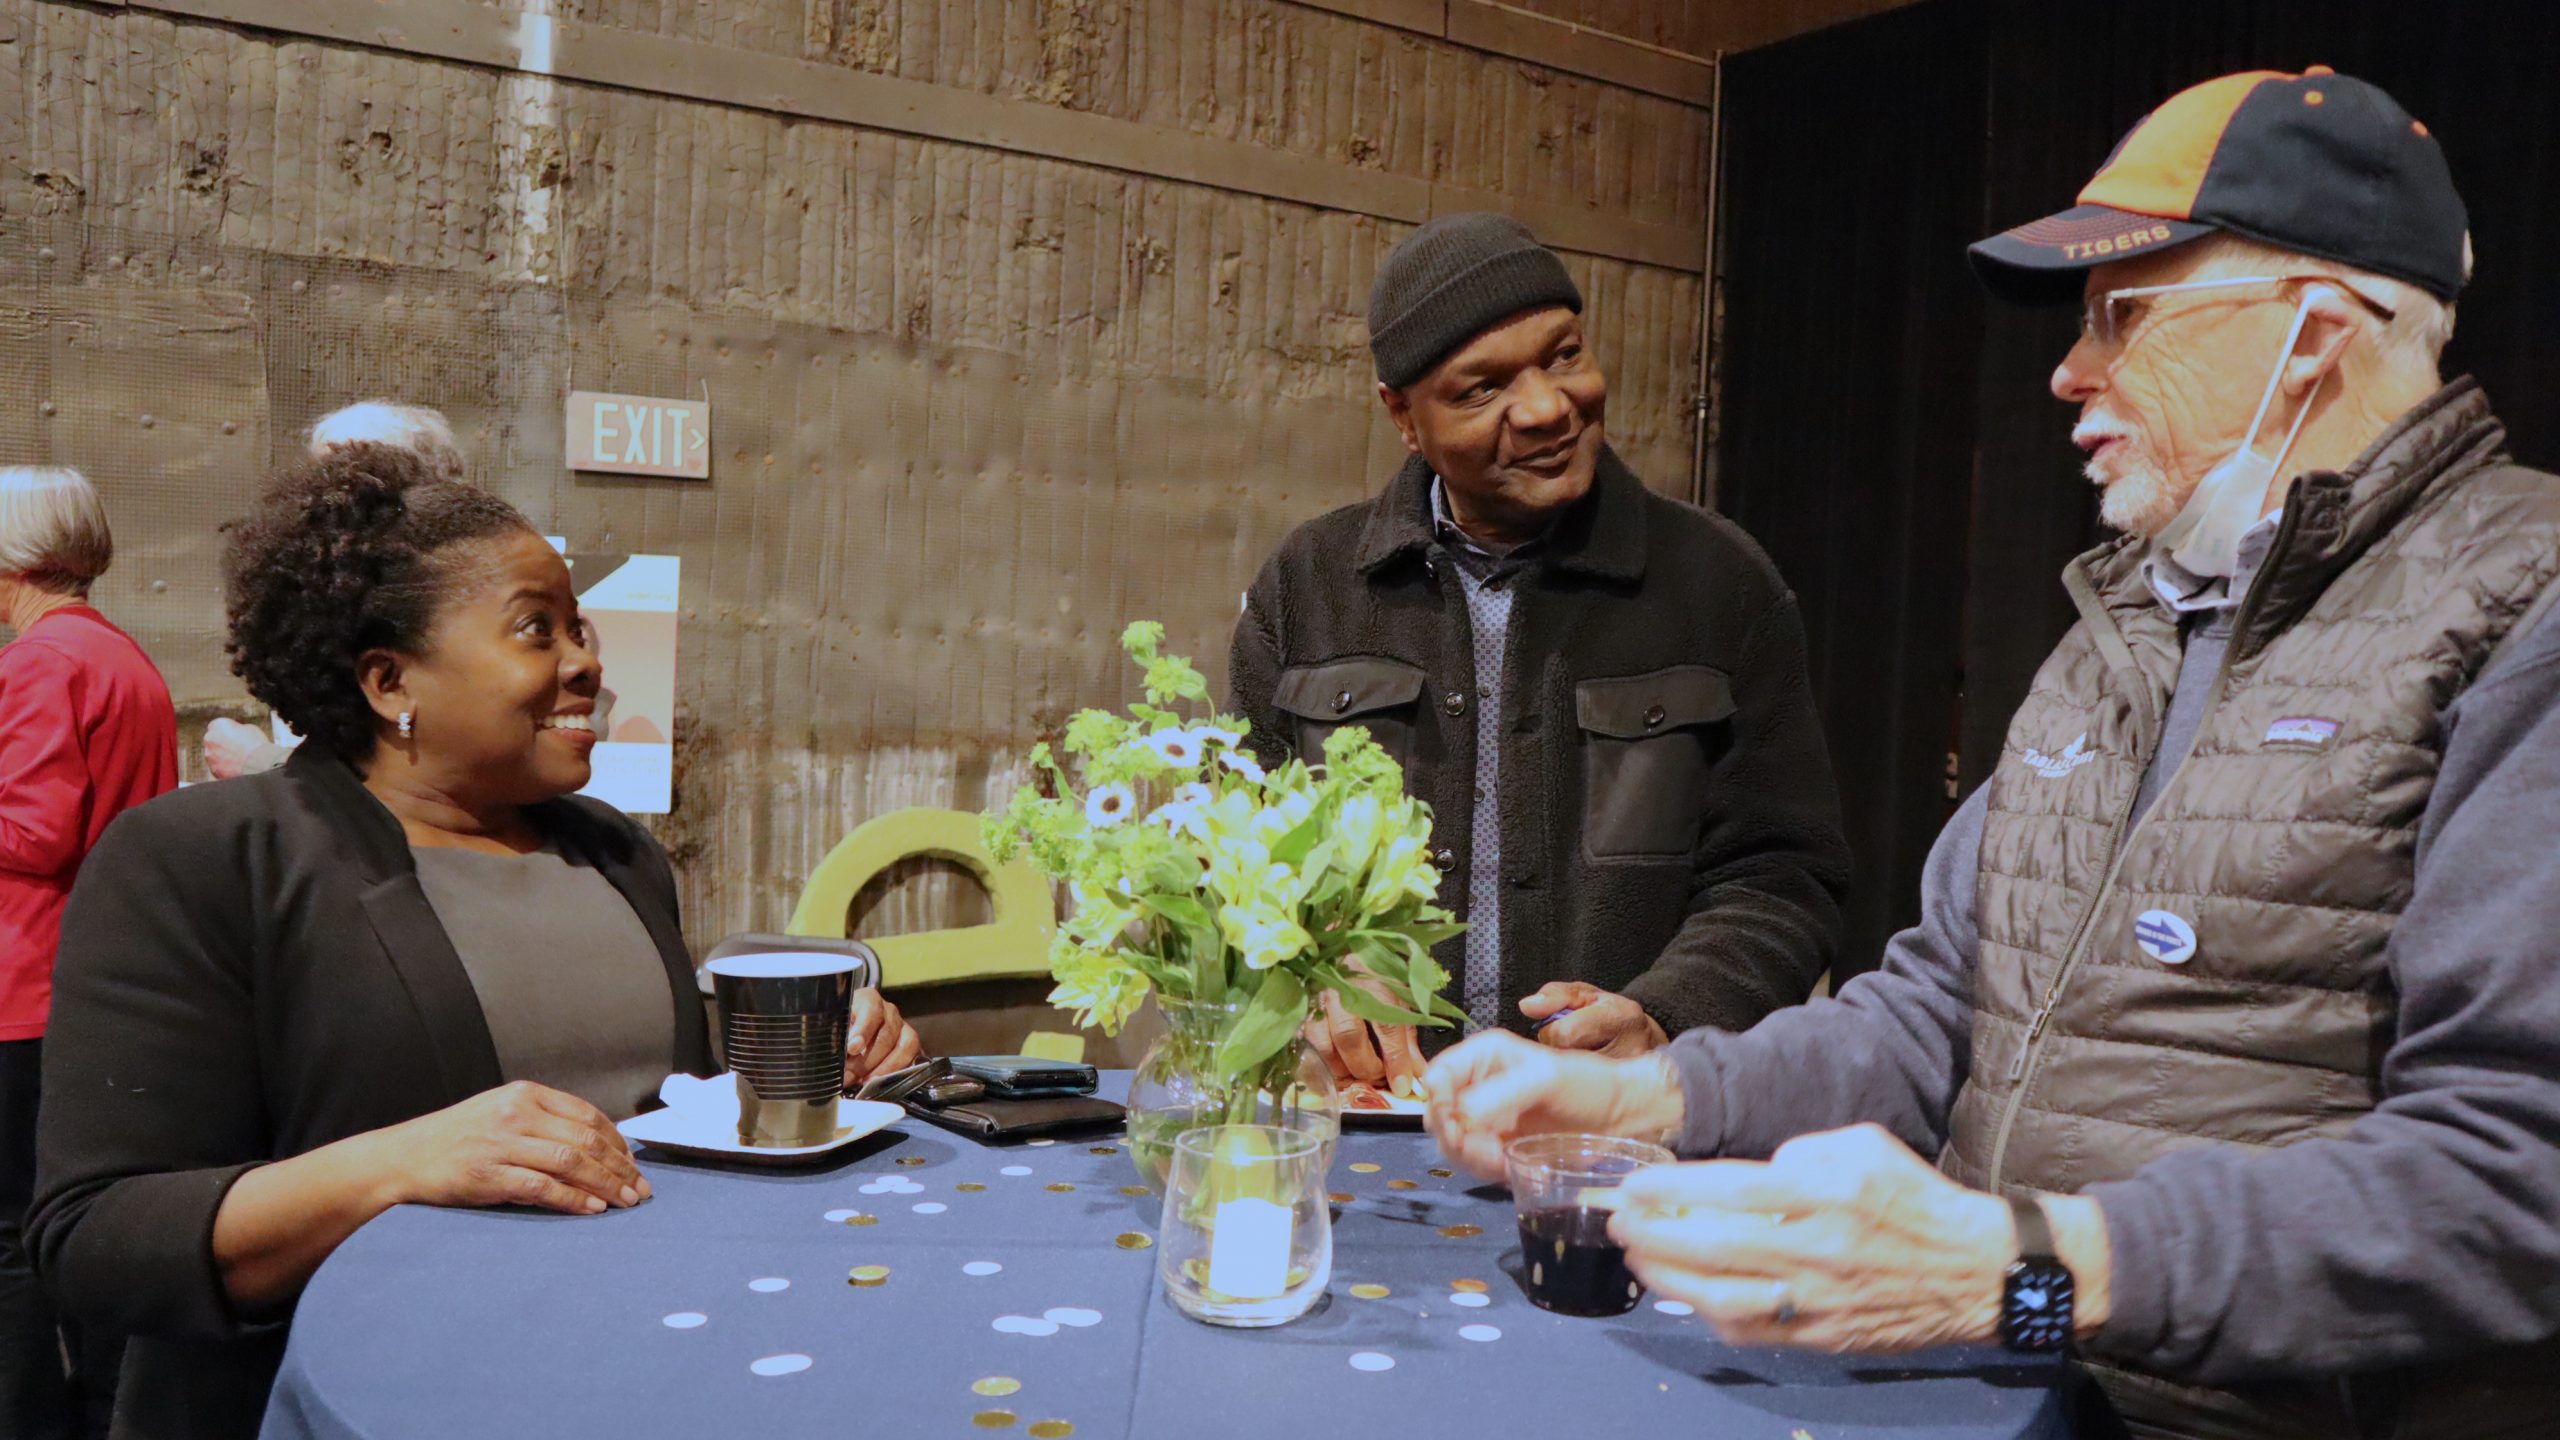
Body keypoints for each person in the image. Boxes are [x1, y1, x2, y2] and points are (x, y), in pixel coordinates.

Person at [1425, 69, 2560, 1437]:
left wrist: (2014, 1273)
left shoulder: (2527, 614)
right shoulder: (2123, 624)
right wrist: (1642, 1094)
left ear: (2314, 332)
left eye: (2122, 315)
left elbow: (2513, 1179)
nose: (2070, 372)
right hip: (2000, 1399)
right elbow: (1936, 1012)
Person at [29, 445, 922, 1440]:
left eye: (579, 627)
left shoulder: (616, 853)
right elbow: (97, 1238)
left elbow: (654, 1116)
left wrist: (812, 1065)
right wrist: (400, 1165)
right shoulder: (205, 859)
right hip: (349, 1402)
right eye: (536, 629)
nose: (586, 660)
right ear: (388, 680)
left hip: (631, 1377)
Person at [1228, 212, 1850, 1090]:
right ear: (1402, 417)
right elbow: (1239, 851)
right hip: (1366, 1123)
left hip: (1611, 1139)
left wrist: (1668, 1013)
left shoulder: (1721, 586)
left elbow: (1783, 875)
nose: (1547, 408)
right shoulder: (1310, 588)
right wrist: (1312, 976)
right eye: (1483, 389)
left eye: (1563, 355)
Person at [0, 468, 173, 1440]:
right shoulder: (123, 659)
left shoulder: (37, 664)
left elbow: (34, 836)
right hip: (95, 984)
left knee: (11, 1243)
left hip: (22, 985)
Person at [201, 400, 468, 781]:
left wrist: (260, 762)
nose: (324, 497)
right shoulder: (318, 596)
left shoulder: (447, 594)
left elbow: (424, 771)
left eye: (354, 476)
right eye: (320, 475)